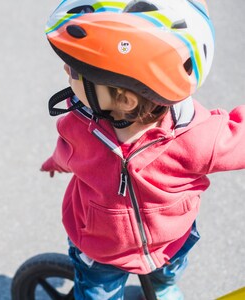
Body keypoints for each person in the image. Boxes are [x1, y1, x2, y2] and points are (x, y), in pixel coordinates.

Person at [41, 0, 245, 299]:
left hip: (170, 240)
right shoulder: (78, 125)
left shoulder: (198, 136)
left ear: (125, 99)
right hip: (102, 249)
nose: (65, 69)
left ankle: (164, 287)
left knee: (170, 269)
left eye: (76, 70)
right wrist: (54, 163)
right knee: (97, 292)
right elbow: (67, 153)